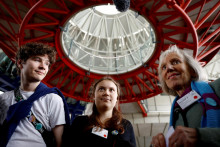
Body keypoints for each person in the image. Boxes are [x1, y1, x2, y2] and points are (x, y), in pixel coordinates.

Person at [0, 42, 70, 147]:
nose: (43, 67)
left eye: (47, 63)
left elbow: (59, 141)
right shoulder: (4, 97)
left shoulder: (53, 99)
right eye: (37, 60)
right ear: (20, 63)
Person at [150, 45, 220, 147]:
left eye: (175, 62)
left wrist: (201, 136)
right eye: (163, 67)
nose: (168, 68)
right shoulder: (176, 112)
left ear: (192, 70)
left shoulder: (216, 88)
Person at [62, 76, 136, 147]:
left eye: (111, 90)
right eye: (101, 89)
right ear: (94, 96)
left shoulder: (126, 126)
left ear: (117, 98)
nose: (106, 93)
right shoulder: (80, 122)